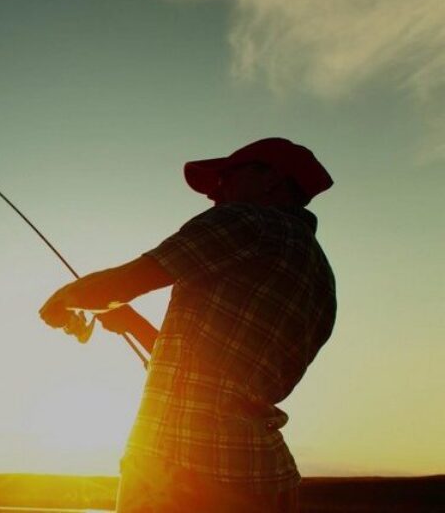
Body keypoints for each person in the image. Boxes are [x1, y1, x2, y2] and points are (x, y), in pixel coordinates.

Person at [38, 138, 336, 512]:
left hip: (183, 469)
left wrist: (64, 298)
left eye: (227, 176)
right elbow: (212, 369)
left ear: (271, 180)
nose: (215, 191)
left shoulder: (245, 220)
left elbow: (124, 282)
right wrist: (131, 322)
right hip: (265, 475)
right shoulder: (320, 273)